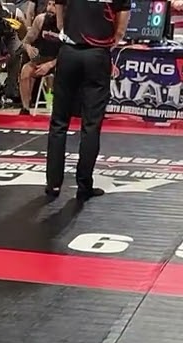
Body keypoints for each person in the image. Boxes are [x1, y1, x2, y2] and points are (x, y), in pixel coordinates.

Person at [44, 0, 127, 201]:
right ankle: (84, 185)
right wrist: (111, 40)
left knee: (59, 122)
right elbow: (122, 22)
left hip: (70, 51)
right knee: (91, 124)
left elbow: (59, 10)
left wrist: (66, 30)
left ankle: (53, 184)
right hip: (97, 54)